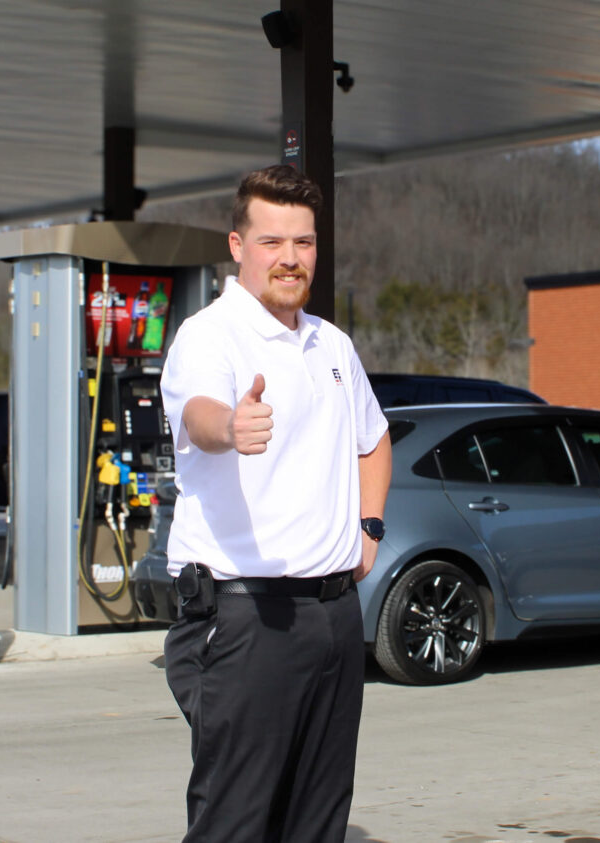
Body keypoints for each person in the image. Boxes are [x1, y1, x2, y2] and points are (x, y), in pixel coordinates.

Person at [161, 164, 392, 843]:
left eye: (304, 242)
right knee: (234, 821)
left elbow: (373, 441)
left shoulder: (331, 343)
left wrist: (368, 527)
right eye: (271, 242)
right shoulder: (210, 335)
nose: (289, 258)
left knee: (317, 818)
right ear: (237, 246)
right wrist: (231, 426)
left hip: (331, 615)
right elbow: (200, 413)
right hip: (243, 617)